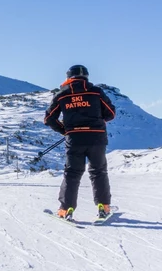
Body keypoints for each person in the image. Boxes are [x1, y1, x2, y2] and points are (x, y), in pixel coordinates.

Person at [44, 64, 117, 221]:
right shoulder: (96, 92)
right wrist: (99, 120)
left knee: (72, 173)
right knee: (98, 172)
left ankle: (65, 209)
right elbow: (111, 113)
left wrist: (65, 130)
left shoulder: (62, 95)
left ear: (68, 78)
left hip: (74, 139)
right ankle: (104, 208)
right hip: (97, 137)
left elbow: (49, 118)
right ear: (87, 77)